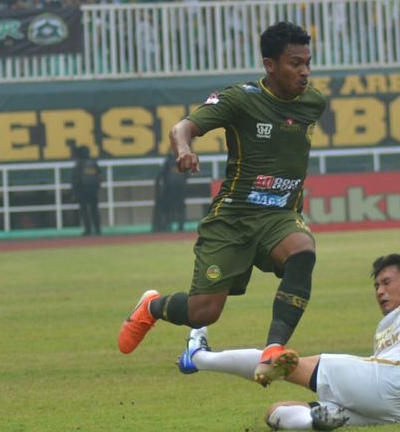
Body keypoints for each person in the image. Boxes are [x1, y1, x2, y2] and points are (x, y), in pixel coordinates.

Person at [175, 143, 400, 430]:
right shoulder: (386, 329)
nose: (379, 291)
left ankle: (199, 357)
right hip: (397, 407)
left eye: (387, 282)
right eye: (376, 285)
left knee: (283, 362)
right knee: (276, 412)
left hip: (396, 380)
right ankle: (314, 421)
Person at [118, 21, 328, 387]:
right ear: (270, 65)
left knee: (303, 251)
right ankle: (151, 306)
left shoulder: (313, 102)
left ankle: (274, 349)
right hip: (233, 219)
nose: (305, 71)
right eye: (295, 63)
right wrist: (184, 150)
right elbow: (181, 128)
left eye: (308, 62)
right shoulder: (240, 99)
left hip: (280, 216)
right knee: (205, 311)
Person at [152, 150, 189, 232]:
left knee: (166, 207)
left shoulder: (168, 160)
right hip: (180, 188)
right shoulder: (183, 160)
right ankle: (181, 227)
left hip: (169, 188)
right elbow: (187, 175)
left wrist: (159, 185)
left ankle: (166, 225)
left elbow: (162, 173)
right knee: (180, 208)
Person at [71, 146, 102, 236]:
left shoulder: (79, 165)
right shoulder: (94, 163)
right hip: (93, 190)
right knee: (94, 210)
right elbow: (100, 177)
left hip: (82, 190)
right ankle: (98, 229)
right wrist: (97, 187)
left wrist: (74, 193)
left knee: (84, 211)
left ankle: (88, 230)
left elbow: (75, 180)